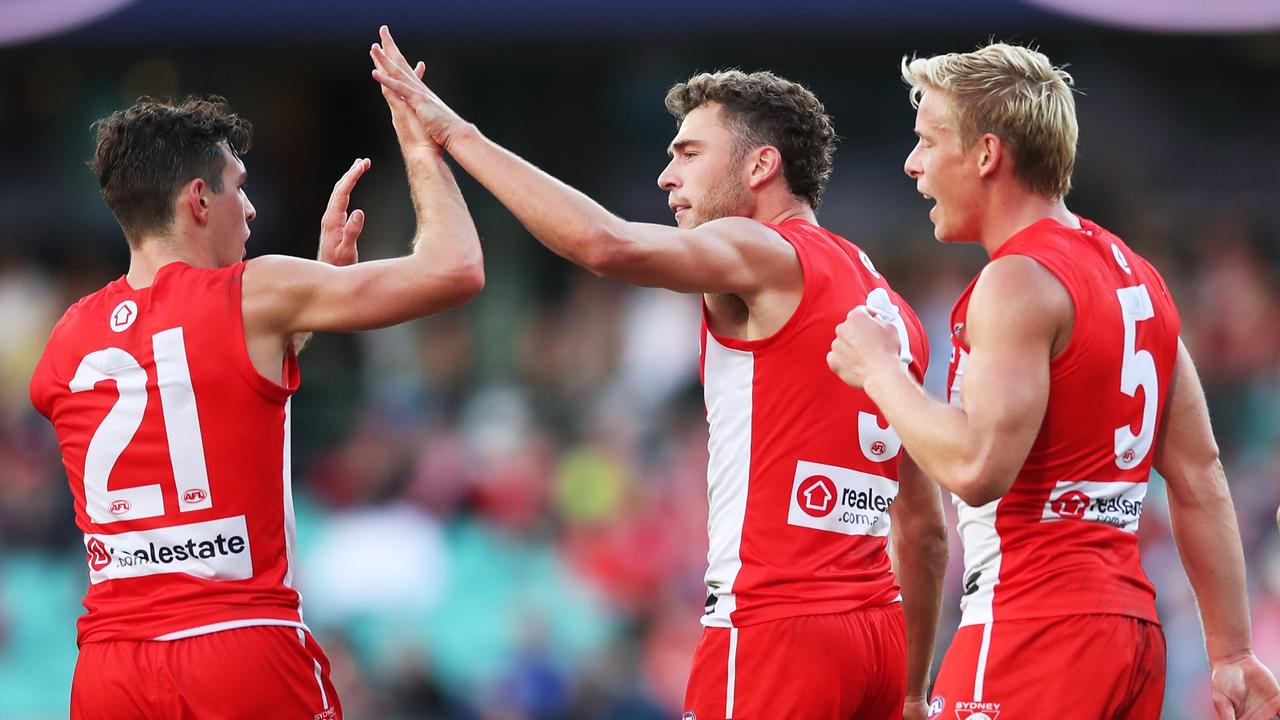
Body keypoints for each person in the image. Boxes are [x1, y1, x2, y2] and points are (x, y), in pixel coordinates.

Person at [369, 25, 948, 720]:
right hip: (877, 639)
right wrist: (912, 691)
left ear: (761, 166)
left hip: (774, 629)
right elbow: (923, 529)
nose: (666, 177)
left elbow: (604, 244)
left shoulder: (761, 250)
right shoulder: (893, 310)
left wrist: (454, 134)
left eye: (688, 154)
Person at [825, 42, 1280, 720]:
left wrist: (879, 370)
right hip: (1130, 636)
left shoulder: (1015, 281)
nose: (912, 164)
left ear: (986, 155)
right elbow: (1199, 473)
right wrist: (1233, 651)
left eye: (927, 140)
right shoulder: (1141, 279)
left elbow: (978, 465)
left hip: (1031, 625)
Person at [28, 59, 484, 720]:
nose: (251, 207)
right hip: (238, 647)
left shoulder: (67, 339)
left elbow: (192, 384)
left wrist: (316, 298)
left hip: (109, 670)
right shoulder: (257, 292)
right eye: (238, 187)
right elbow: (456, 269)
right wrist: (420, 144)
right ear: (197, 200)